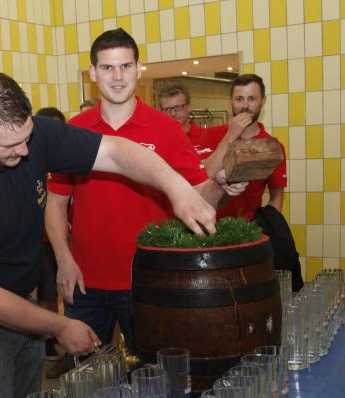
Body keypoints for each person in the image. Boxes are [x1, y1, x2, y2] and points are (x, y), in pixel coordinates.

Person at [0, 71, 232, 398]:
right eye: (11, 147)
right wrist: (60, 326)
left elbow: (116, 150)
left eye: (27, 138)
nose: (25, 152)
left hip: (16, 296)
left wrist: (177, 188)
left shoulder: (31, 135)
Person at [45, 28, 246, 378]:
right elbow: (55, 203)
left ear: (139, 69)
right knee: (88, 380)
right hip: (85, 280)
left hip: (150, 280)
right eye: (107, 68)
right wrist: (63, 260)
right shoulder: (74, 131)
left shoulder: (165, 129)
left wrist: (221, 185)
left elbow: (197, 192)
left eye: (125, 66)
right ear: (93, 74)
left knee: (154, 379)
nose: (117, 77)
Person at [200, 74, 287, 220]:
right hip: (210, 225)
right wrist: (230, 136)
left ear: (262, 101)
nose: (245, 106)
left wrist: (271, 226)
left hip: (250, 229)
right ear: (231, 102)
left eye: (252, 99)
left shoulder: (271, 146)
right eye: (239, 99)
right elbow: (201, 177)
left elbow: (276, 196)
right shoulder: (209, 135)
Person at [34, 107, 67, 363]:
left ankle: (57, 332)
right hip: (41, 239)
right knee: (46, 292)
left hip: (70, 239)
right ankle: (46, 338)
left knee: (63, 291)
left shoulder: (68, 158)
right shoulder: (30, 157)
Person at [157, 83, 216, 157]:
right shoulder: (157, 143)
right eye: (167, 109)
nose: (172, 113)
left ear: (188, 107)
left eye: (178, 107)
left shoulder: (207, 137)